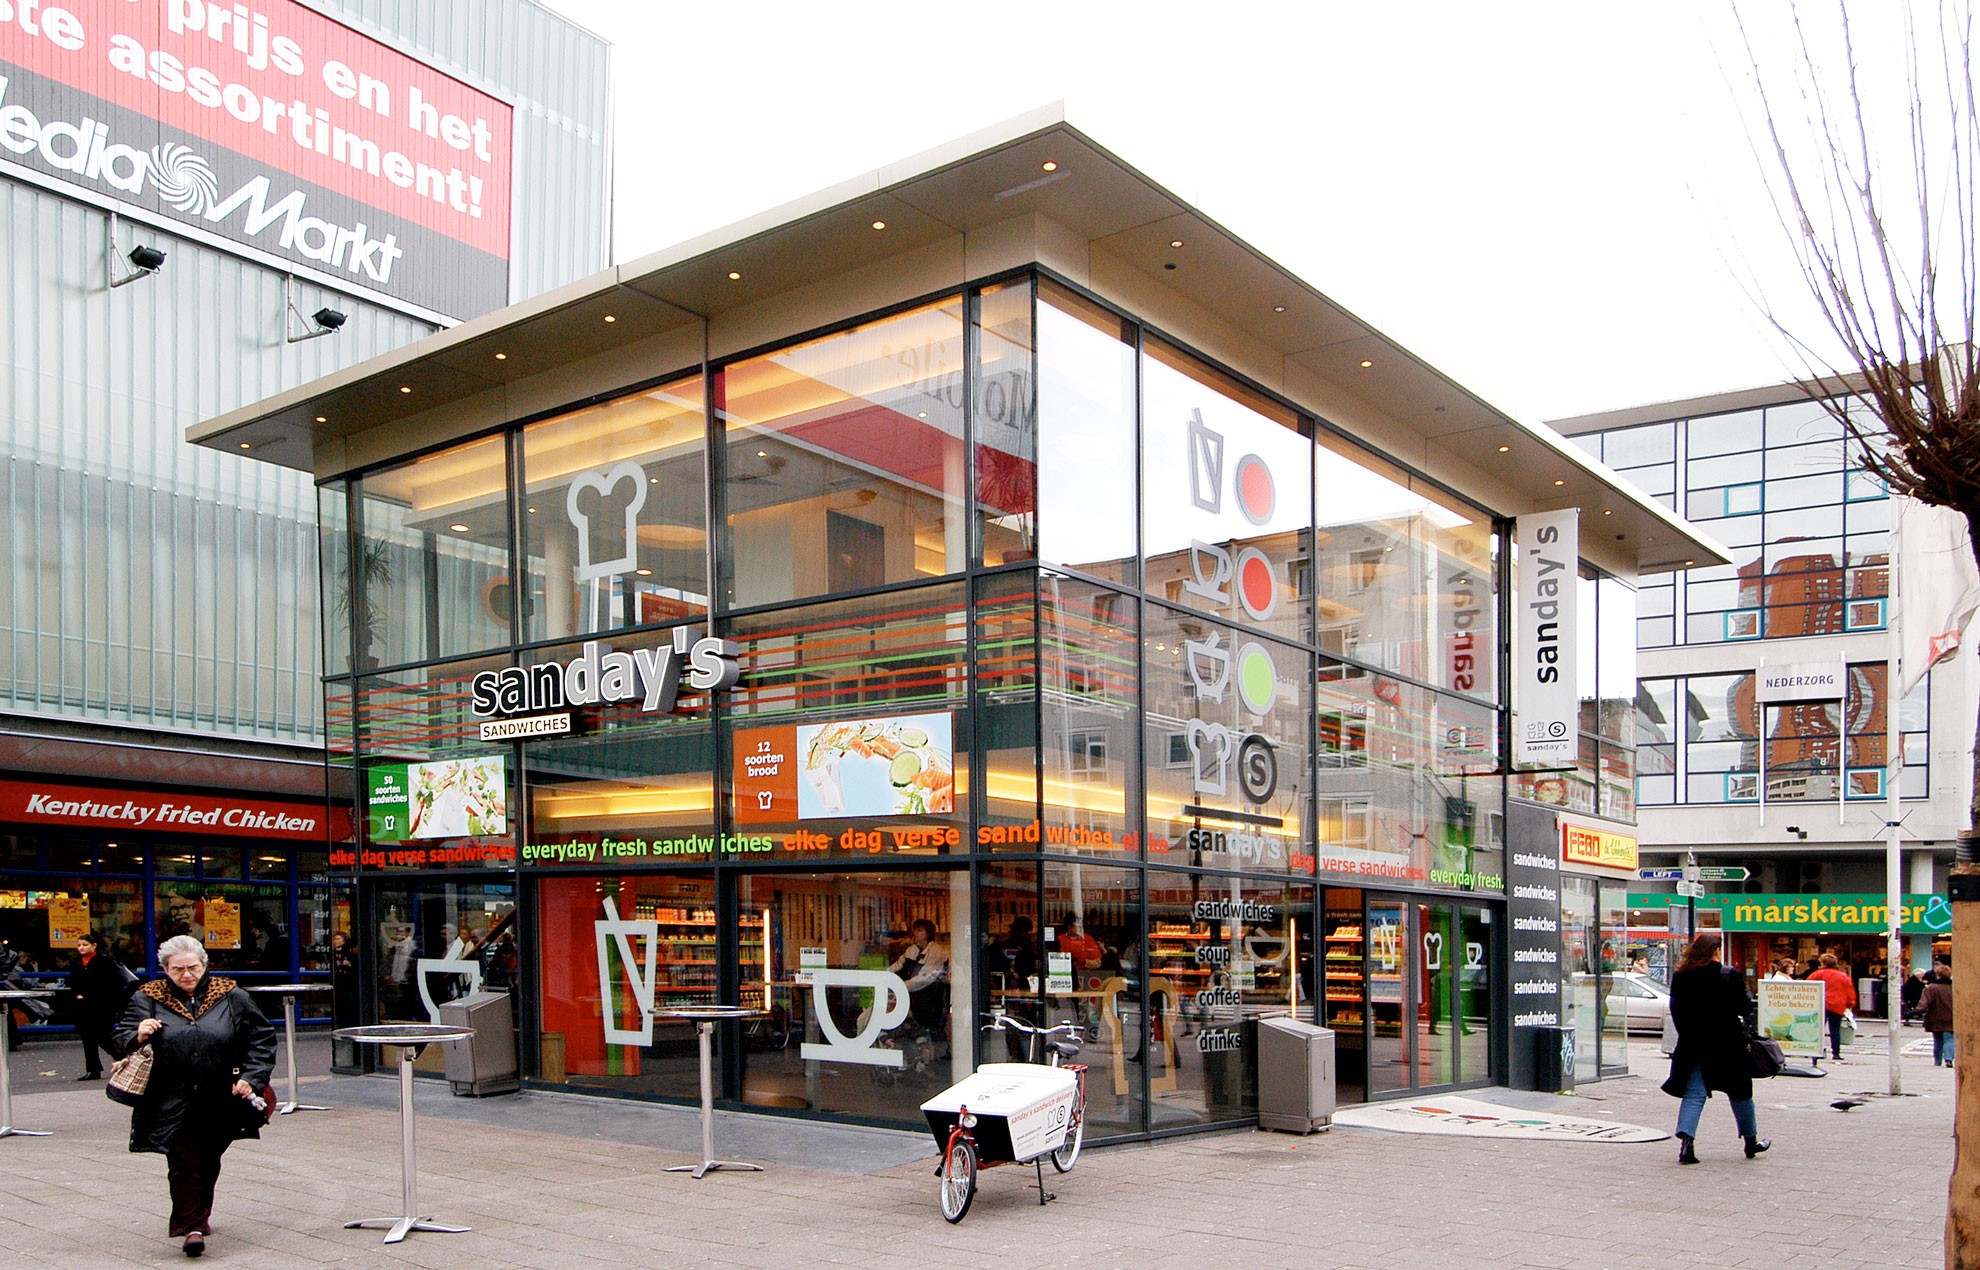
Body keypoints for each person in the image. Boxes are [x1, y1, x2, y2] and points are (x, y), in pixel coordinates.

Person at [113, 934, 275, 1258]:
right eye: (177, 970)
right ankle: (192, 1228)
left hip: (221, 1095)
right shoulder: (148, 997)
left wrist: (251, 1078)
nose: (186, 975)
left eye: (192, 968)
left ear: (204, 965)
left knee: (208, 1159)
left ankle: (195, 1216)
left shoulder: (231, 996)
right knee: (183, 1160)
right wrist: (137, 1034)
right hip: (169, 1097)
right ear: (165, 970)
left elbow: (262, 1038)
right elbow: (120, 1038)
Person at [1661, 932, 1769, 1164]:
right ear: (1716, 952)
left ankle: (1687, 1145)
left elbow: (1677, 1011)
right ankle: (1750, 1143)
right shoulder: (1729, 975)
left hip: (1694, 1045)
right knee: (1740, 1093)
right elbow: (1744, 1008)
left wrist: (1689, 1034)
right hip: (1729, 1045)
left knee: (1694, 1094)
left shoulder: (1681, 976)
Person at [66, 932, 129, 1080]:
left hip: (102, 1005)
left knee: (104, 1037)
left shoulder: (104, 960)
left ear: (94, 946)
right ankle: (93, 1069)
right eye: (79, 945)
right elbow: (72, 982)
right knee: (87, 1038)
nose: (81, 948)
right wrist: (76, 994)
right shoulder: (76, 962)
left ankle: (122, 1058)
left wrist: (104, 998)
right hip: (83, 1006)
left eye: (85, 945)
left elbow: (114, 983)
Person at [1807, 952, 1857, 1061]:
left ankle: (1817, 1051)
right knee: (1835, 1030)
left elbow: (1808, 987)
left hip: (1820, 1005)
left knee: (1818, 1029)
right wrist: (1850, 1004)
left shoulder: (1817, 974)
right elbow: (1850, 992)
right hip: (1837, 1005)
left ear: (1823, 963)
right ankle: (1836, 1053)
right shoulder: (1843, 976)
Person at [1923, 965, 1955, 1067]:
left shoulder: (1932, 988)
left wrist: (1917, 1011)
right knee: (1949, 1039)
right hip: (1951, 1017)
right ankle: (1949, 1059)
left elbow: (1925, 1002)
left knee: (1938, 1040)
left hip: (1935, 1018)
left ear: (1938, 975)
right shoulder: (1954, 988)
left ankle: (1937, 1061)